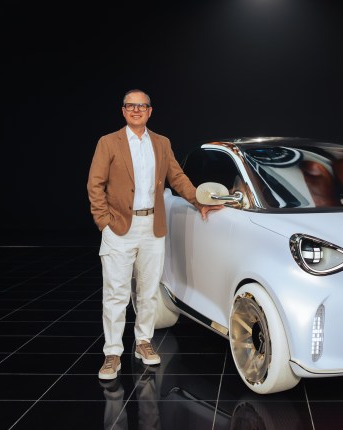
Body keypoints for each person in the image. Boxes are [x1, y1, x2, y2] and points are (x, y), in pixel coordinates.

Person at [87, 89, 222, 380]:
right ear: (123, 111)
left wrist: (198, 200)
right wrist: (103, 221)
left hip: (153, 226)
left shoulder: (161, 143)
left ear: (150, 111)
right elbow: (95, 184)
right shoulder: (108, 142)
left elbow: (177, 177)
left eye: (142, 106)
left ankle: (143, 342)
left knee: (148, 291)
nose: (136, 110)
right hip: (119, 227)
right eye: (130, 106)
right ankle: (112, 353)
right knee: (115, 293)